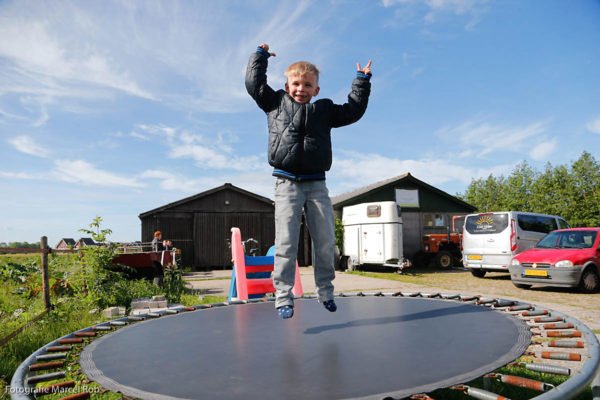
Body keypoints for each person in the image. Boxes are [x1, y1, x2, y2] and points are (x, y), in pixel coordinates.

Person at [245, 43, 372, 319]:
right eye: (296, 83)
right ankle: (282, 295)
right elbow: (254, 84)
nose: (301, 89)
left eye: (307, 85)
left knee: (325, 240)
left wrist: (361, 81)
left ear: (316, 90)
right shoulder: (275, 103)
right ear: (287, 85)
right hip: (286, 182)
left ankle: (325, 290)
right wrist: (260, 56)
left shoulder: (324, 112)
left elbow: (352, 110)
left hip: (317, 184)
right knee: (287, 242)